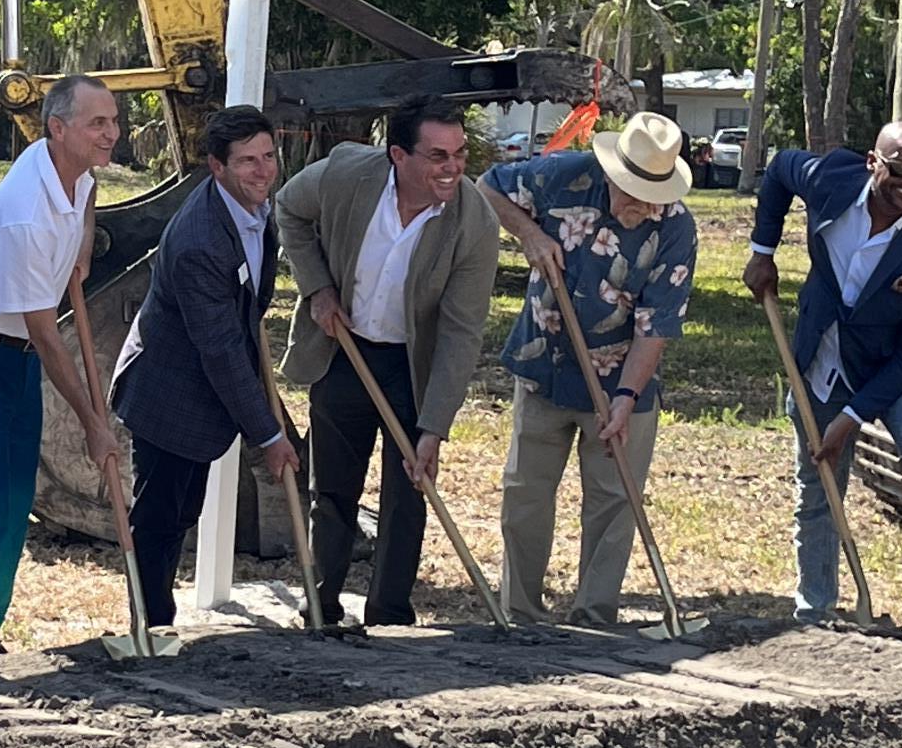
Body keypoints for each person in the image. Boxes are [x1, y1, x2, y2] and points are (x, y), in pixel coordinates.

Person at [275, 93, 500, 625]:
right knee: (331, 488)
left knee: (409, 489)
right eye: (438, 156)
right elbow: (289, 209)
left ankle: (389, 612)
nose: (453, 168)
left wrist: (434, 428)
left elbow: (460, 332)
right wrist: (318, 289)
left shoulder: (474, 222)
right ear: (398, 156)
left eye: (460, 154)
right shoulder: (347, 173)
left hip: (410, 364)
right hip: (344, 350)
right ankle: (320, 603)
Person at [478, 111, 697, 627]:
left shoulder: (677, 228)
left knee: (614, 499)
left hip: (622, 377)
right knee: (526, 492)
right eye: (632, 191)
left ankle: (593, 617)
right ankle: (520, 615)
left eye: (652, 196)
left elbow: (656, 324)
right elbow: (488, 187)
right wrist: (530, 235)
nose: (641, 206)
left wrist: (625, 398)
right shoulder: (564, 175)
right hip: (544, 363)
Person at [0, 74, 121, 663]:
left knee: (16, 500)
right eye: (98, 123)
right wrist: (93, 421)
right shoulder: (24, 216)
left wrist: (83, 246)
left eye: (114, 121)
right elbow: (46, 333)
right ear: (56, 129)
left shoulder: (74, 170)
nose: (111, 134)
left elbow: (87, 193)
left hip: (15, 356)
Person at [743, 122, 902, 625]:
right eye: (900, 170)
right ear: (872, 163)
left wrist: (854, 417)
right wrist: (762, 251)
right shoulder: (831, 178)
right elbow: (779, 170)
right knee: (819, 481)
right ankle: (816, 611)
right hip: (826, 357)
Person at [110, 107, 300, 626]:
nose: (263, 171)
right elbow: (219, 351)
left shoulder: (254, 210)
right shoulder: (200, 242)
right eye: (247, 162)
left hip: (202, 394)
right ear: (217, 167)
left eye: (267, 157)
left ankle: (156, 622)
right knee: (161, 520)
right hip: (168, 396)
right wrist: (268, 435)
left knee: (181, 513)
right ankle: (150, 628)